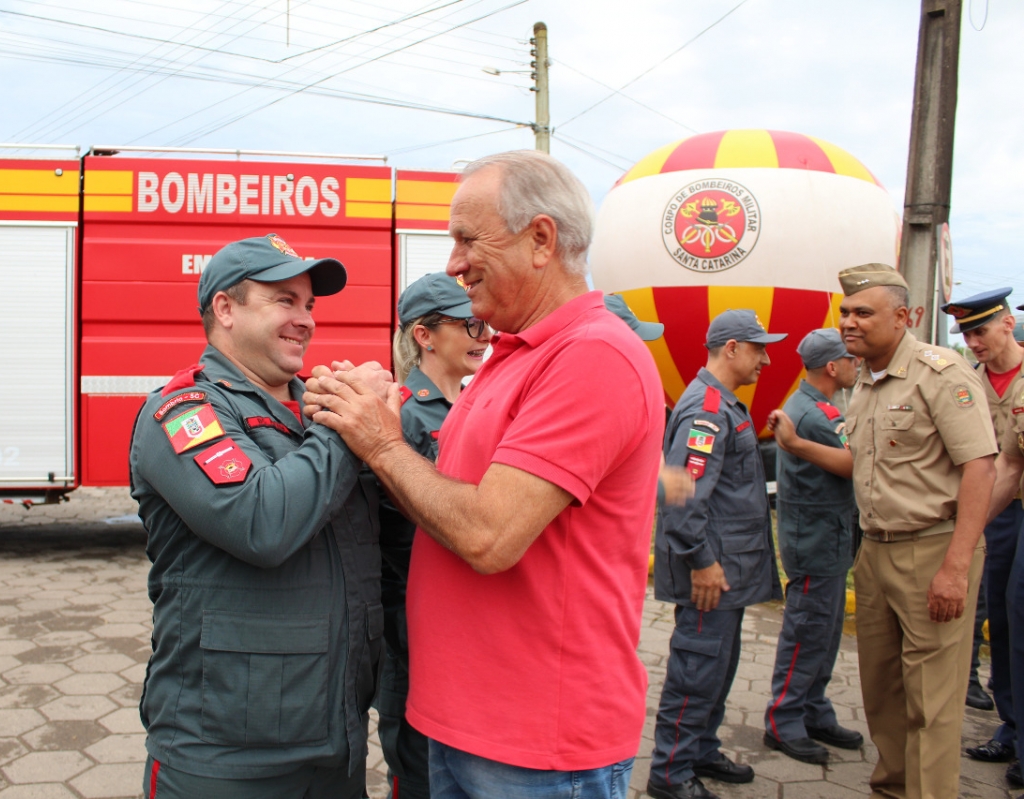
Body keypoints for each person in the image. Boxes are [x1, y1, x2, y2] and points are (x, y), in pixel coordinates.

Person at [303, 149, 664, 799]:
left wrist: (381, 442)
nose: (454, 262)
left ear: (541, 239)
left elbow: (487, 534)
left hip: (535, 745)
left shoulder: (592, 355)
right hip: (470, 725)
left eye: (469, 239)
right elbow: (447, 498)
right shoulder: (513, 354)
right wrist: (376, 426)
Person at [129, 233, 391, 798]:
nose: (305, 320)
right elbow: (261, 522)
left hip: (337, 746)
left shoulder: (319, 409)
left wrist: (387, 435)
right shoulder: (182, 411)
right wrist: (346, 430)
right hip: (224, 760)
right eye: (284, 300)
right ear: (225, 309)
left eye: (309, 305)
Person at [838, 263, 997, 799]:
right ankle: (892, 788)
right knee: (882, 691)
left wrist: (956, 566)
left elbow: (980, 467)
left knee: (932, 702)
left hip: (932, 550)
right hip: (875, 550)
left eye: (864, 312)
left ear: (903, 317)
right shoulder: (864, 380)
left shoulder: (941, 374)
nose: (849, 322)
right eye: (845, 312)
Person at [647, 309, 785, 799]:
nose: (766, 360)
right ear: (732, 348)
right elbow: (683, 499)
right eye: (759, 349)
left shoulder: (724, 403)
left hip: (728, 571)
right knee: (696, 670)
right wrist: (701, 562)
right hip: (710, 571)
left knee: (718, 668)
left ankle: (700, 749)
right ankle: (670, 772)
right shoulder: (706, 410)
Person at [376, 272, 490, 799]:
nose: (484, 336)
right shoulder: (401, 413)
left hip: (461, 618)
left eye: (484, 324)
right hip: (412, 623)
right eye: (470, 325)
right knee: (419, 768)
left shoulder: (472, 403)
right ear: (424, 335)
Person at [762, 328, 864, 764]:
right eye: (851, 359)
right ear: (833, 367)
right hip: (816, 539)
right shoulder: (815, 415)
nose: (857, 365)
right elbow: (855, 464)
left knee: (824, 631)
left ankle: (813, 709)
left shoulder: (810, 405)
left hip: (826, 537)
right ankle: (784, 719)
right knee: (806, 633)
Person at [943, 290, 1024, 787]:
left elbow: (1011, 467)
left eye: (981, 331)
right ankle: (1010, 727)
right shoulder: (970, 380)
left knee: (1020, 610)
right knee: (1002, 617)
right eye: (967, 334)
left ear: (1008, 325)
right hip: (996, 511)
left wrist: (965, 529)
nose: (974, 342)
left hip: (1010, 501)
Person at [604, 294, 695, 509]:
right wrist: (658, 488)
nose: (640, 351)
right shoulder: (596, 405)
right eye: (633, 341)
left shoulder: (625, 397)